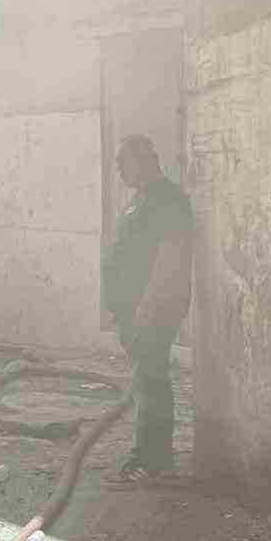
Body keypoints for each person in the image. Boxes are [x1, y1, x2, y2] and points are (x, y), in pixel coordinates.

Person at [102, 134, 193, 487]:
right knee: (147, 380)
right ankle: (155, 459)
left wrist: (147, 306)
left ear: (143, 160)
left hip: (154, 308)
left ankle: (148, 463)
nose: (118, 168)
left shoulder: (168, 199)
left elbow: (172, 257)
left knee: (151, 381)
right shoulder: (141, 199)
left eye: (122, 160)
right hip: (136, 309)